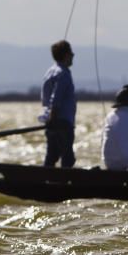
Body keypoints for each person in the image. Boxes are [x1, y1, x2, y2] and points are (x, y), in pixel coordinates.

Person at [40, 40, 76, 168]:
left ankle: (44, 181)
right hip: (62, 123)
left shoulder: (50, 71)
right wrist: (53, 118)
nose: (73, 55)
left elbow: (45, 98)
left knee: (51, 157)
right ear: (66, 55)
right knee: (68, 159)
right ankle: (63, 185)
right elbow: (56, 98)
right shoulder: (63, 74)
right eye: (71, 53)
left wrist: (50, 120)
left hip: (51, 122)